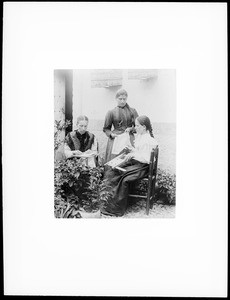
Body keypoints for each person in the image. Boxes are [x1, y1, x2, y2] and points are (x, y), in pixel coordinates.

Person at [100, 115, 158, 217]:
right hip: (138, 164)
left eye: (137, 126)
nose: (135, 128)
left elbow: (146, 158)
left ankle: (115, 208)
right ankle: (108, 202)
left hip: (143, 167)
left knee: (122, 176)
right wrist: (131, 149)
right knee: (113, 170)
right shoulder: (142, 137)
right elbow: (140, 152)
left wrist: (133, 154)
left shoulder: (148, 140)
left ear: (144, 127)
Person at [103, 89, 138, 163]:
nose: (122, 101)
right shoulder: (111, 112)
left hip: (129, 138)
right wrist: (111, 134)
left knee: (129, 160)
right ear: (116, 99)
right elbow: (106, 129)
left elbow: (138, 127)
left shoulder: (133, 111)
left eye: (124, 99)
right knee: (114, 161)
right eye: (120, 99)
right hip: (116, 139)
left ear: (126, 99)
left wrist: (131, 128)